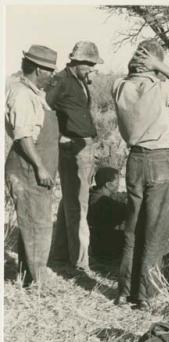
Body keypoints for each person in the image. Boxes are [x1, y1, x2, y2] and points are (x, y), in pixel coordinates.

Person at [112, 39, 169, 310]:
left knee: (133, 228)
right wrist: (159, 66)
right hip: (159, 159)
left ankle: (123, 292)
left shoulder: (120, 87)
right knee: (155, 229)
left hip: (134, 159)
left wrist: (141, 67)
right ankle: (145, 294)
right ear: (153, 63)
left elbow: (128, 78)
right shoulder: (161, 88)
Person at [46, 41, 103, 274]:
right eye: (90, 65)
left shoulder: (78, 81)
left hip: (83, 147)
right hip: (73, 148)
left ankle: (60, 253)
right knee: (78, 205)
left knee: (70, 202)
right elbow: (45, 109)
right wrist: (58, 137)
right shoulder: (61, 80)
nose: (93, 69)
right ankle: (80, 262)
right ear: (78, 62)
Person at [5, 45, 58, 287]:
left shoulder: (34, 93)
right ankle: (37, 283)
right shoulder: (22, 94)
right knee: (37, 225)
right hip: (26, 167)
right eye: (50, 71)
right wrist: (41, 167)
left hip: (34, 164)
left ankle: (28, 277)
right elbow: (24, 137)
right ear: (38, 69)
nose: (52, 75)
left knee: (36, 223)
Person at [88, 167, 127, 261]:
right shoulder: (105, 203)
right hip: (105, 249)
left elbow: (118, 196)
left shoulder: (93, 194)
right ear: (108, 184)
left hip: (96, 244)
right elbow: (125, 211)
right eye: (117, 182)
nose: (118, 184)